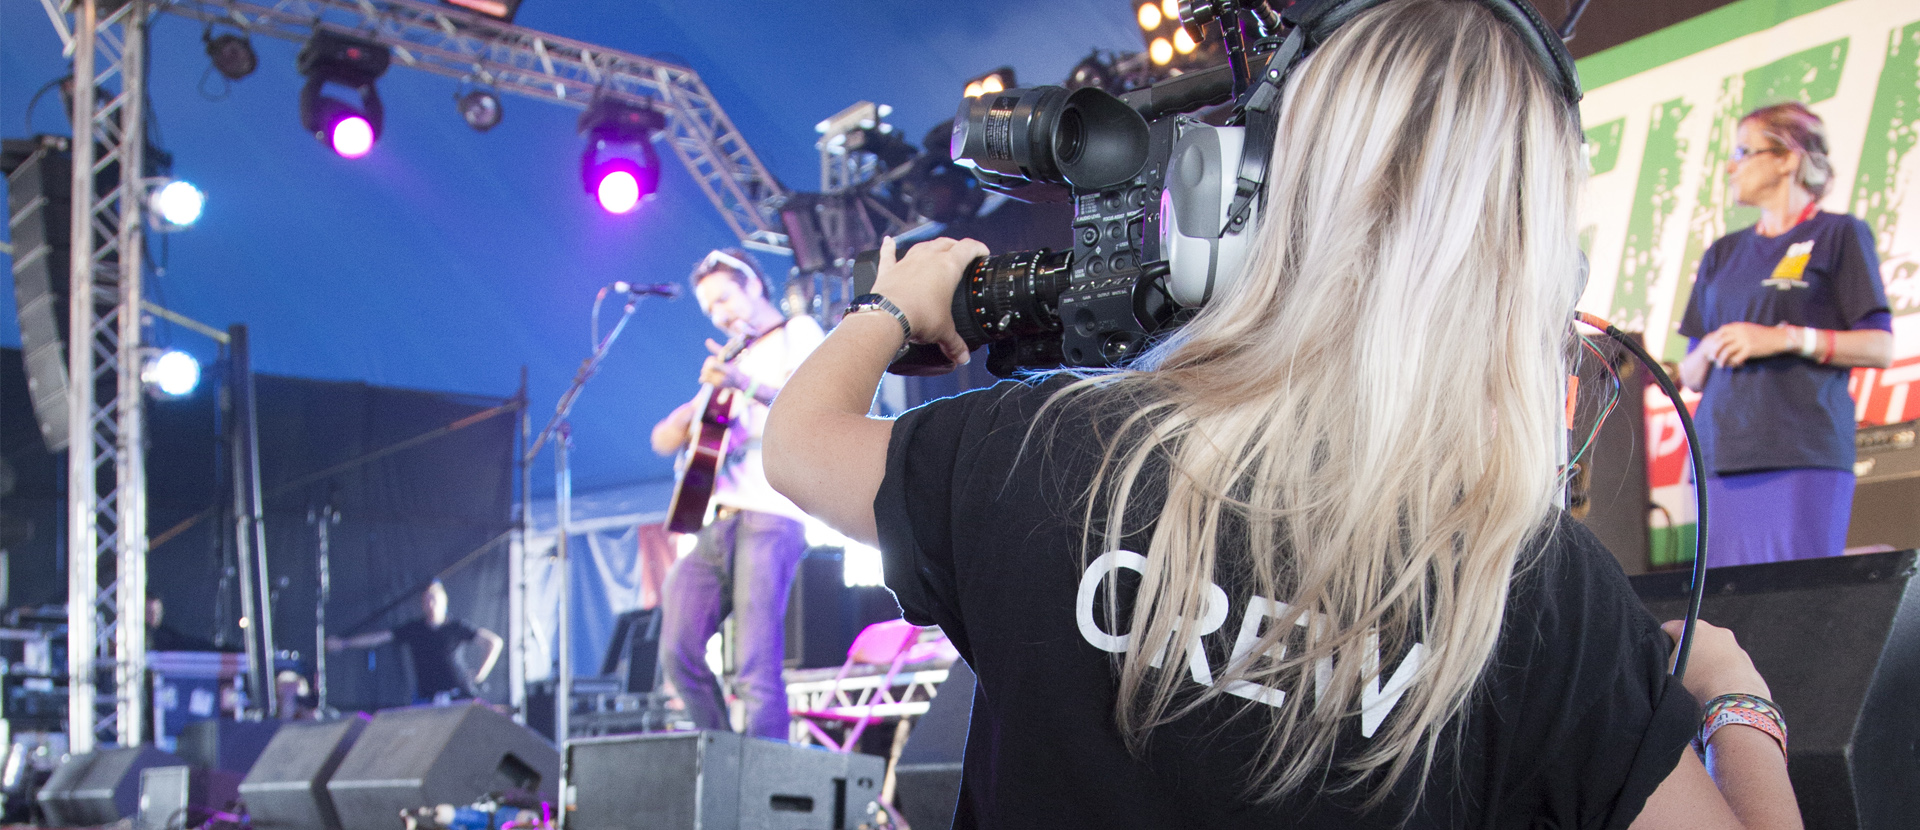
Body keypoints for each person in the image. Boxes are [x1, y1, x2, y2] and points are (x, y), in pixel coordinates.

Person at [764, 1, 1800, 827]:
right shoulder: (1536, 593)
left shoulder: (1043, 451)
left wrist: (895, 306)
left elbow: (800, 446)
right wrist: (1738, 691)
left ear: (1246, 203)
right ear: (1537, 274)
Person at [1678, 101, 1892, 565]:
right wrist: (1713, 347)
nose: (1731, 166)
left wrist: (1786, 337)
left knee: (1795, 606)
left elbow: (1880, 346)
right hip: (1718, 455)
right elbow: (1691, 375)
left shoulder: (1839, 234)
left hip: (1800, 451)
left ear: (1787, 158)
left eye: (1743, 150)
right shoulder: (1723, 252)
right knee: (1727, 612)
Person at [650, 248, 825, 741]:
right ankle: (725, 760)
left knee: (755, 665)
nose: (721, 314)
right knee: (678, 652)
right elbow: (664, 439)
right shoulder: (731, 356)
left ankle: (762, 789)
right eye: (710, 309)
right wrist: (695, 409)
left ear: (753, 284)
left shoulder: (799, 333)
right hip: (715, 520)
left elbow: (812, 399)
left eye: (725, 298)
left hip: (771, 513)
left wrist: (742, 382)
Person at [328, 580, 503, 704]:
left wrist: (481, 674)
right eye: (426, 600)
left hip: (458, 695)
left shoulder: (456, 628)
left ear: (443, 601)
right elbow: (380, 637)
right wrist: (344, 643)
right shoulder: (415, 629)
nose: (431, 604)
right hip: (427, 697)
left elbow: (493, 642)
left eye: (434, 599)